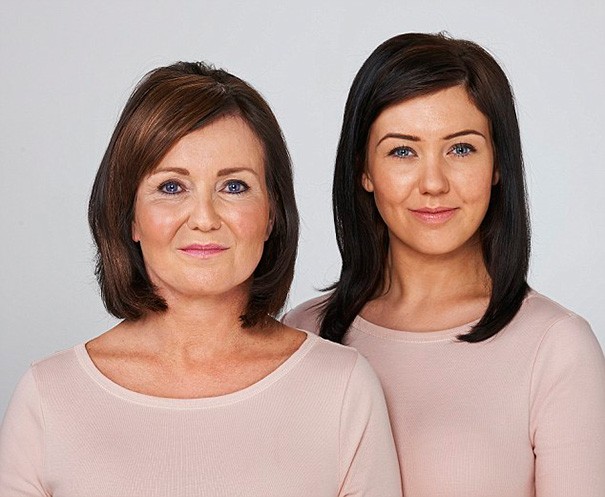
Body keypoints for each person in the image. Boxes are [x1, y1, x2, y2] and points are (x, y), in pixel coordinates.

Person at [0, 61, 401, 497]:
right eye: (172, 187)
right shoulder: (49, 397)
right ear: (130, 216)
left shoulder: (341, 389)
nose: (205, 219)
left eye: (234, 187)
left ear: (272, 214)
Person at [284, 32, 605, 497]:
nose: (433, 183)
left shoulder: (557, 348)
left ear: (498, 164)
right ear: (363, 170)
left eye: (461, 149)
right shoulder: (304, 334)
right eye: (402, 151)